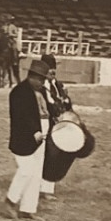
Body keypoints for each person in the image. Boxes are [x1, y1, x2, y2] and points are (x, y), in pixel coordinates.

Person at [5, 59, 53, 219]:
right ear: (31, 77)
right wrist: (35, 131)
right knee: (26, 170)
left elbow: (48, 110)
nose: (42, 82)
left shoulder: (42, 92)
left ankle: (28, 208)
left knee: (36, 173)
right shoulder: (19, 92)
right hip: (24, 137)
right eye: (40, 79)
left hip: (42, 133)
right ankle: (10, 201)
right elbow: (21, 116)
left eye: (43, 80)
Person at [39, 54, 75, 200]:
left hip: (58, 124)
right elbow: (47, 105)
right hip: (45, 123)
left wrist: (65, 100)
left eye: (54, 70)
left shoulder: (58, 86)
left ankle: (47, 187)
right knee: (44, 155)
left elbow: (67, 104)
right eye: (49, 70)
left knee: (55, 155)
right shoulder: (40, 87)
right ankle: (42, 188)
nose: (53, 73)